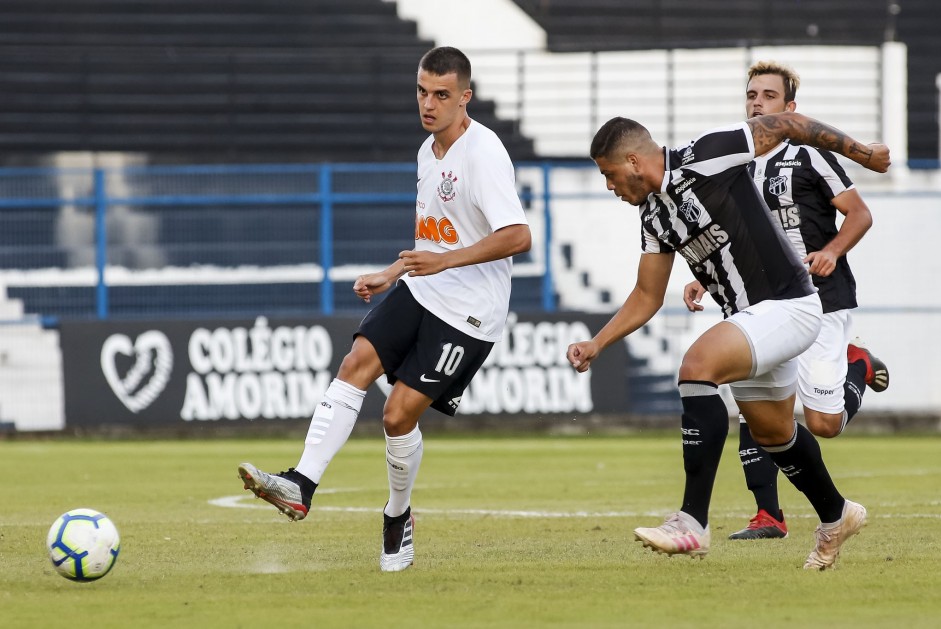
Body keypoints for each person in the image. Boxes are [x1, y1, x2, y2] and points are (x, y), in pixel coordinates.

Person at [237, 46, 531, 572]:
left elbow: (518, 236)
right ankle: (301, 484)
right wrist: (393, 271)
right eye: (422, 91)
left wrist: (444, 263)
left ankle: (398, 515)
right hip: (422, 290)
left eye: (442, 94)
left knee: (396, 416)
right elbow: (431, 236)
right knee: (353, 366)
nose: (428, 103)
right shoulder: (426, 152)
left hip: (468, 313)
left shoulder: (483, 153)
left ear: (465, 97)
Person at [568, 111, 889, 569]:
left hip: (790, 304)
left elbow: (786, 123)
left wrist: (861, 153)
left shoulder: (707, 156)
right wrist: (598, 343)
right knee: (773, 433)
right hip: (753, 319)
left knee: (696, 368)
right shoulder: (654, 216)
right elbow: (646, 294)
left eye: (609, 174)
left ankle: (691, 523)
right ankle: (837, 515)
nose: (609, 185)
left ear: (634, 161)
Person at [681, 61, 891, 541]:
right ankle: (768, 515)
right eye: (752, 94)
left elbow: (859, 214)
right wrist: (702, 277)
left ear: (790, 108)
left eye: (769, 96)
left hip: (823, 298)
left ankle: (856, 364)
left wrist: (832, 251)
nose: (757, 102)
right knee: (756, 404)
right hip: (764, 300)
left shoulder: (810, 156)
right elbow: (724, 234)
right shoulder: (736, 164)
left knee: (822, 424)